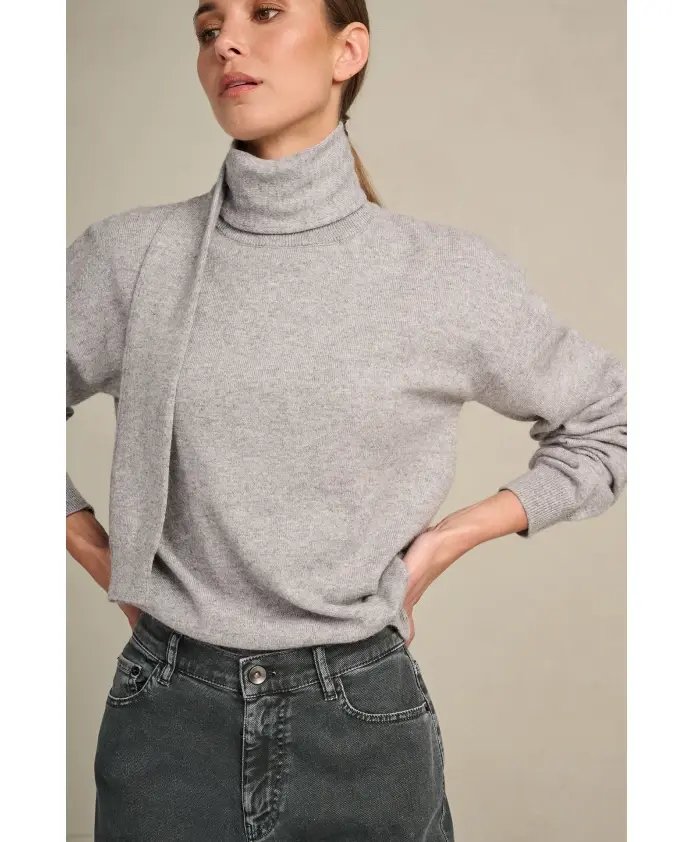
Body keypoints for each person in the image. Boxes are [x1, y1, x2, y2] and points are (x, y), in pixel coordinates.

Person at [66, 1, 626, 839]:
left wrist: (447, 539)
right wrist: (103, 554)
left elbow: (613, 420)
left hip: (361, 722)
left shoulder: (444, 276)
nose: (227, 42)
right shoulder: (131, 259)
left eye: (265, 12)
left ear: (347, 50)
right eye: (208, 28)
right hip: (166, 720)